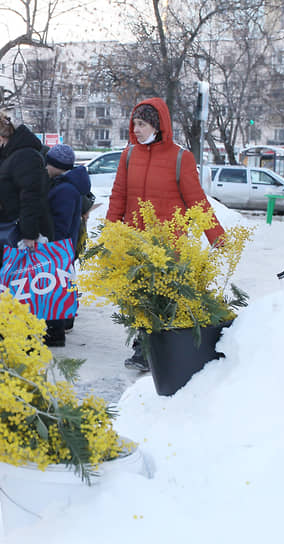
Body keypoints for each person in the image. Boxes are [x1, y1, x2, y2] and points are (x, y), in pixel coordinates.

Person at [106, 97, 225, 372]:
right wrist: (110, 234)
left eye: (142, 124)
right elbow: (118, 196)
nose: (136, 130)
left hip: (169, 243)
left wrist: (216, 235)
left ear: (157, 126)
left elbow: (197, 201)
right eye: (134, 124)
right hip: (134, 240)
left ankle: (156, 349)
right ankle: (143, 347)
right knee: (138, 296)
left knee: (164, 296)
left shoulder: (181, 158)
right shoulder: (128, 156)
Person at [0, 114, 55, 277]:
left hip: (21, 238)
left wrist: (29, 234)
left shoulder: (26, 156)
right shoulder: (9, 157)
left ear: (1, 139)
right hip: (8, 235)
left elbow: (31, 197)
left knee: (23, 291)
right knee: (10, 289)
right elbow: (6, 189)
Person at [44, 144, 92, 347]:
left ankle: (57, 331)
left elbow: (61, 223)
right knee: (65, 283)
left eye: (49, 163)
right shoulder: (66, 185)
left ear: (56, 165)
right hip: (64, 247)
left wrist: (51, 244)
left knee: (57, 288)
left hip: (59, 246)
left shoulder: (65, 190)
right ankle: (65, 321)